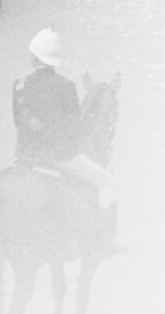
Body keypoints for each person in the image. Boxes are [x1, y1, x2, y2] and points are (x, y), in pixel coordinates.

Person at [14, 28, 114, 216]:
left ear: (34, 58)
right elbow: (73, 128)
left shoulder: (19, 85)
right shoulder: (66, 86)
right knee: (106, 181)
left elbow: (18, 121)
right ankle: (101, 236)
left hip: (24, 156)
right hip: (58, 157)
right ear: (54, 61)